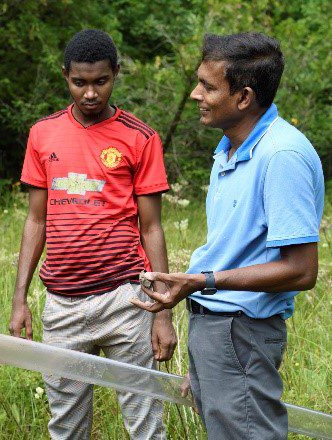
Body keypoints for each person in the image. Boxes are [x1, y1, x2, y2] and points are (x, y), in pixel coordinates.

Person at [132, 33, 324, 440]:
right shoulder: (229, 148)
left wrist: (203, 281)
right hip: (218, 328)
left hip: (242, 329)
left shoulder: (281, 155)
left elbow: (302, 270)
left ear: (244, 97)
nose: (195, 93)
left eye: (208, 86)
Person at [9, 29, 176, 440]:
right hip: (62, 306)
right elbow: (36, 220)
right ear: (65, 76)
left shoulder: (141, 137)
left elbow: (151, 227)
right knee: (65, 426)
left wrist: (164, 312)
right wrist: (19, 298)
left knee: (145, 424)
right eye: (79, 82)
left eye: (100, 81)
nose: (89, 93)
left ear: (116, 74)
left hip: (126, 299)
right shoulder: (42, 134)